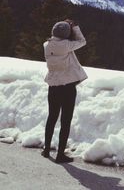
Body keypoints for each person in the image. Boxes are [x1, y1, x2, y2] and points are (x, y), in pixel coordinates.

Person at [41, 19, 88, 163]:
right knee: (65, 120)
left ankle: (47, 149)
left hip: (53, 86)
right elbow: (82, 41)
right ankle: (60, 155)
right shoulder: (67, 45)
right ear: (66, 34)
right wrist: (75, 27)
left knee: (52, 117)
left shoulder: (46, 45)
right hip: (67, 87)